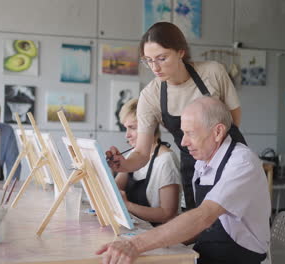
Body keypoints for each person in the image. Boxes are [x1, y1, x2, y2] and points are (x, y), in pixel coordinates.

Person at [97, 97, 271, 264]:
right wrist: (158, 242)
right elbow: (200, 226)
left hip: (239, 258)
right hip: (208, 251)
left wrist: (135, 244)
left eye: (190, 133)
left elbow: (203, 216)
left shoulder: (241, 163)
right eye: (182, 133)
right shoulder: (203, 161)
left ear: (218, 132)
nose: (183, 142)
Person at [106, 22, 246, 210]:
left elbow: (234, 121)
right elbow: (141, 153)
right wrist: (122, 164)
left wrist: (215, 150)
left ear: (181, 52)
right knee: (200, 228)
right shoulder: (150, 96)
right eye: (148, 60)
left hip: (230, 160)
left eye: (161, 58)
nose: (154, 67)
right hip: (193, 166)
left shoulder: (213, 72)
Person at [115, 98, 181, 226]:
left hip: (160, 235)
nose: (126, 135)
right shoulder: (132, 154)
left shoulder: (166, 160)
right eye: (126, 128)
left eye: (132, 128)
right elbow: (116, 187)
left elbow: (168, 214)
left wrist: (127, 205)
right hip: (137, 228)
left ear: (149, 127)